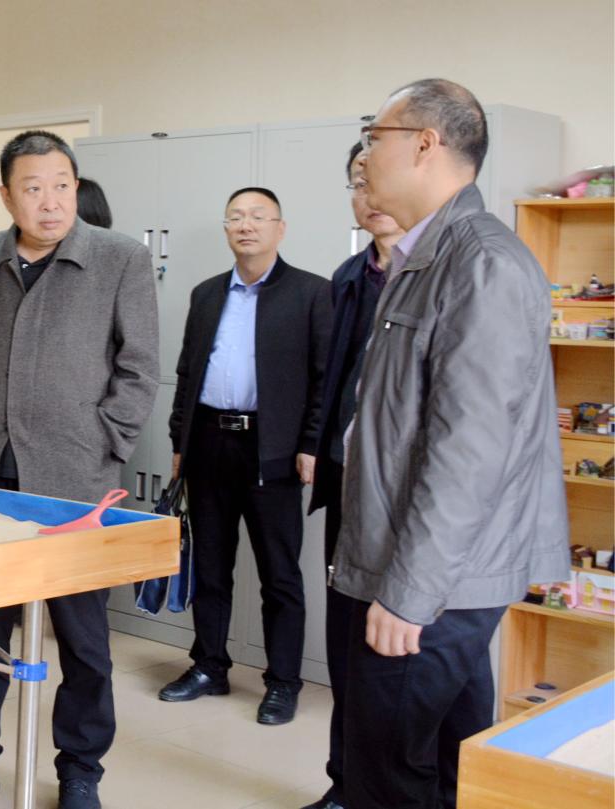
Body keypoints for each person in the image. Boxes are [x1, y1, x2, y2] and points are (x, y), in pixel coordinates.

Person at [334, 78, 568, 809]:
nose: (366, 156)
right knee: (446, 760)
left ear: (425, 145)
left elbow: (471, 450)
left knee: (386, 771)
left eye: (375, 137)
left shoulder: (480, 263)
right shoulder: (423, 257)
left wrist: (409, 594)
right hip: (425, 566)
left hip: (432, 581)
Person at [0, 130, 158, 809]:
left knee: (84, 641)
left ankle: (81, 768)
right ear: (6, 195)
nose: (50, 202)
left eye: (61, 186)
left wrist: (105, 441)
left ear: (75, 188)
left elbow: (139, 369)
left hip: (73, 482)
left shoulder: (120, 258)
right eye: (33, 188)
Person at [158, 187, 331, 727]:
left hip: (271, 449)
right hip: (209, 442)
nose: (246, 225)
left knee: (280, 575)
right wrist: (180, 443)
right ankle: (209, 666)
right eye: (236, 217)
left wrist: (310, 445)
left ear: (280, 228)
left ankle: (283, 681)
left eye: (258, 216)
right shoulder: (207, 294)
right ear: (226, 229)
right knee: (211, 566)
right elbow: (187, 373)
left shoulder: (311, 293)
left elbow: (325, 380)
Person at [299, 144, 406, 809]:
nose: (369, 196)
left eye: (377, 180)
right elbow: (328, 378)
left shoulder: (438, 275)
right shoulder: (347, 276)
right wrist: (315, 445)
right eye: (357, 184)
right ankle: (344, 783)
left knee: (400, 654)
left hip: (408, 493)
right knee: (345, 639)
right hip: (347, 482)